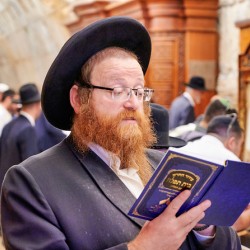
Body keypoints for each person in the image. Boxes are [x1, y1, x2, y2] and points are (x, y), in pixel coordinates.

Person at [1, 17, 241, 250]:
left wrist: (203, 228)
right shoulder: (32, 183)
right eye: (117, 90)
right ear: (78, 98)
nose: (133, 103)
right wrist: (142, 248)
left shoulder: (166, 166)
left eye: (138, 91)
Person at [171, 113, 250, 232]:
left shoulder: (181, 150)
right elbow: (233, 222)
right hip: (207, 235)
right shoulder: (233, 163)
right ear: (232, 142)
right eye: (240, 145)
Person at [0, 83, 41, 188]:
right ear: (37, 105)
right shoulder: (27, 129)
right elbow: (32, 169)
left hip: (6, 187)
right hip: (19, 190)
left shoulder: (8, 125)